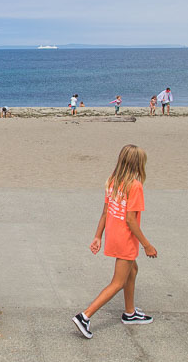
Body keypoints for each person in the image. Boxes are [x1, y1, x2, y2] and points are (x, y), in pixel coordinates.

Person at [72, 144, 158, 339]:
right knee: (117, 282)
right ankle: (84, 316)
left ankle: (130, 313)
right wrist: (147, 245)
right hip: (126, 238)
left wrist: (97, 236)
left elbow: (105, 212)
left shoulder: (112, 181)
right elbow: (130, 220)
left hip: (114, 235)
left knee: (132, 270)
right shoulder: (134, 186)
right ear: (138, 164)